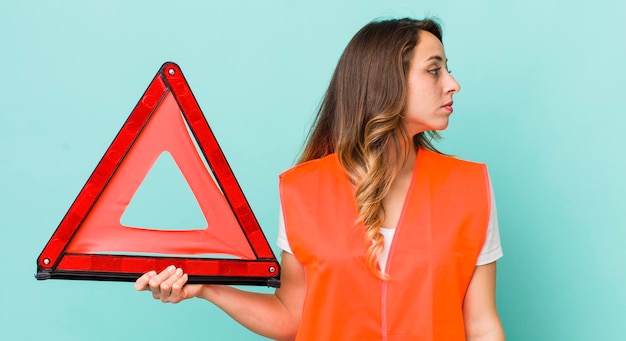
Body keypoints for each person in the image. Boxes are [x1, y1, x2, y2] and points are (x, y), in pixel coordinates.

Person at [135, 17, 505, 340]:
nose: (453, 83)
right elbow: (291, 318)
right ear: (385, 82)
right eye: (434, 69)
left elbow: (482, 326)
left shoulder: (471, 186)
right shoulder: (301, 190)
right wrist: (208, 288)